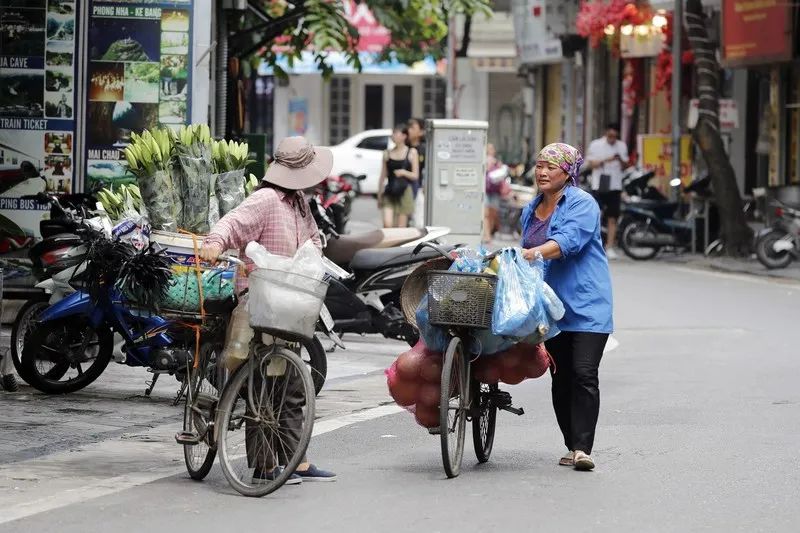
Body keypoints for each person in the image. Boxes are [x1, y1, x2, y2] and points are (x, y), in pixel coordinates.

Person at [199, 136, 337, 484]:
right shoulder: (264, 200)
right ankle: (263, 467)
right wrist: (214, 244)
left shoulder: (299, 203)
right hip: (258, 302)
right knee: (263, 384)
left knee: (291, 386)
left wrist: (315, 254)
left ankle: (296, 460)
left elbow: (313, 238)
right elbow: (230, 224)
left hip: (290, 302)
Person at [520, 142, 613, 472]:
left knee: (584, 373)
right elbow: (525, 251)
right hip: (551, 307)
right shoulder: (530, 209)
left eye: (551, 167)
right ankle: (571, 444)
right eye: (539, 165)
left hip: (588, 305)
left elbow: (569, 242)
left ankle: (583, 448)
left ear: (568, 172)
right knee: (560, 378)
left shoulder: (583, 204)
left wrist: (533, 254)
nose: (542, 172)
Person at [585, 123, 629, 259]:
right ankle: (593, 245)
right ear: (605, 133)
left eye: (615, 136)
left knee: (612, 217)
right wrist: (606, 160)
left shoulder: (621, 146)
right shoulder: (596, 145)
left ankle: (609, 247)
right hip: (599, 185)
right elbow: (590, 163)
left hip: (615, 185)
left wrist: (620, 159)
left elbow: (626, 165)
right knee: (595, 216)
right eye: (610, 136)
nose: (612, 139)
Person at [377, 125, 419, 228]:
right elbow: (383, 175)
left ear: (404, 136)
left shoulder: (412, 152)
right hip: (390, 191)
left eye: (396, 133)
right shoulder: (387, 153)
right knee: (387, 224)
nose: (393, 136)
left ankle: (397, 245)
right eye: (393, 133)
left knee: (401, 227)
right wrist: (379, 194)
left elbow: (415, 175)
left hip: (404, 192)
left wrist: (404, 172)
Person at [483, 143, 507, 244]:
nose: (490, 150)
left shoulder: (497, 162)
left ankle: (490, 233)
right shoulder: (483, 160)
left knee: (493, 213)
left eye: (492, 149)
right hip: (485, 190)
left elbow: (502, 175)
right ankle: (487, 235)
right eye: (488, 149)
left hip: (495, 191)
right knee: (486, 214)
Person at [406, 118, 427, 227]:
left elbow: (427, 170)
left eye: (413, 128)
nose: (409, 130)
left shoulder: (425, 149)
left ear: (421, 132)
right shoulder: (404, 147)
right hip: (403, 188)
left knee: (419, 221)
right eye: (408, 128)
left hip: (418, 188)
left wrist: (425, 186)